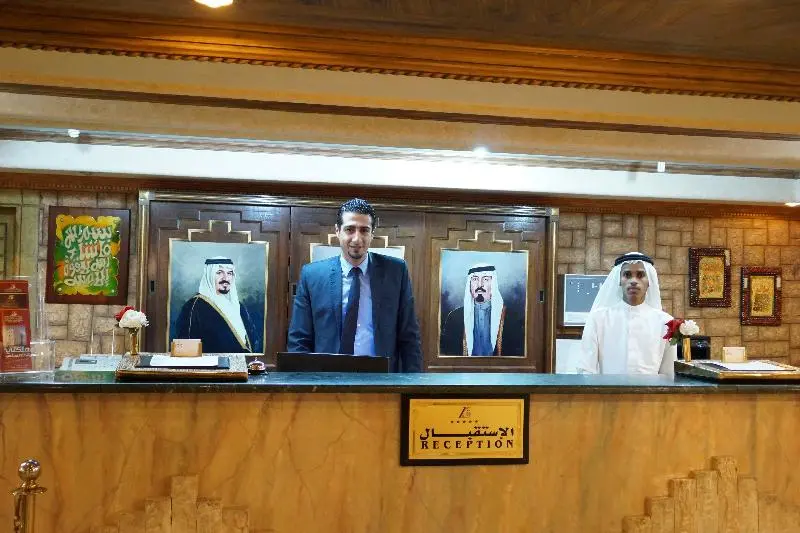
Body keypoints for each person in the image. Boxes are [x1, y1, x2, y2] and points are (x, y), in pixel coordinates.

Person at [287, 198, 423, 372]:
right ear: (337, 231)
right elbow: (299, 340)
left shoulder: (396, 272)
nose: (357, 238)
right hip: (327, 380)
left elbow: (409, 338)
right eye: (350, 229)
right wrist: (303, 384)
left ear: (372, 234)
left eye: (364, 230)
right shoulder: (312, 275)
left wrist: (412, 384)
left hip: (381, 380)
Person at [577, 252, 676, 376]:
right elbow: (586, 369)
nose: (633, 281)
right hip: (608, 388)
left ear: (649, 281)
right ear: (619, 280)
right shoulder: (598, 319)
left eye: (640, 275)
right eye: (627, 275)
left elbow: (669, 373)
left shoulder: (666, 322)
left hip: (651, 389)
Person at [175, 257, 260, 353]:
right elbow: (185, 351)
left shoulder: (239, 306)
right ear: (209, 275)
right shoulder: (193, 307)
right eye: (219, 272)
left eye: (229, 273)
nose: (225, 278)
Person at [440, 263, 524, 356]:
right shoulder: (454, 317)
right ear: (470, 284)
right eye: (475, 279)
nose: (480, 285)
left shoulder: (511, 317)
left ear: (493, 284)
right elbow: (447, 353)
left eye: (486, 279)